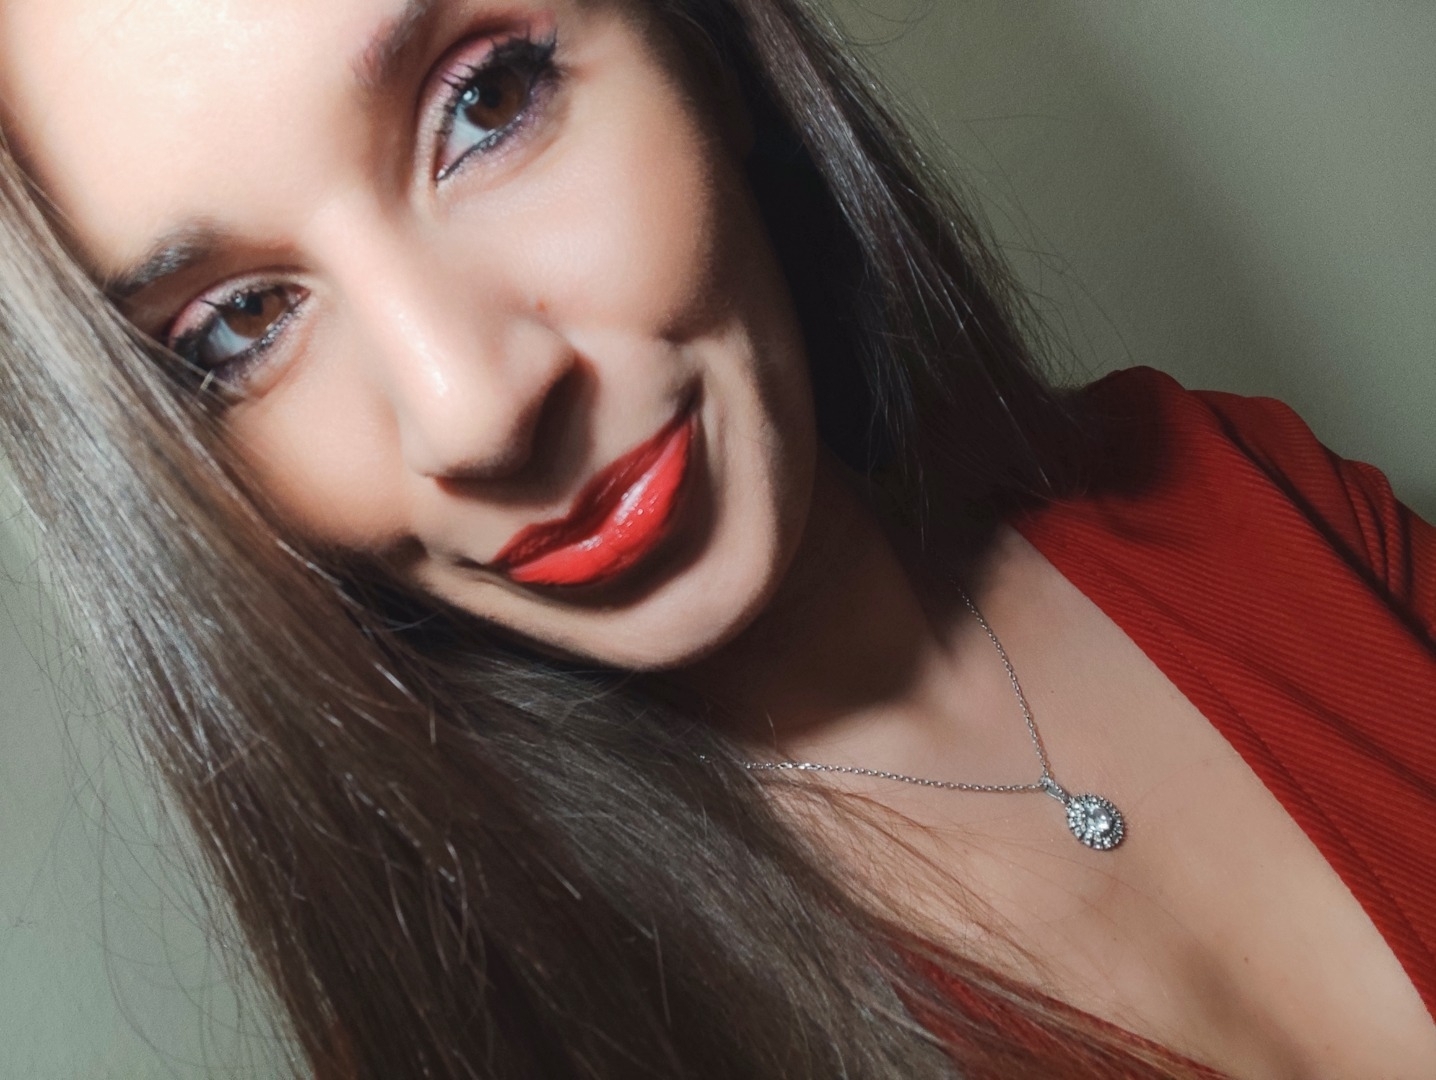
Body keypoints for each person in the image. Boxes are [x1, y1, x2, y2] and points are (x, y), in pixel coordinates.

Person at [0, 0, 1431, 1077]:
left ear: (706, 47)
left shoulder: (1228, 490)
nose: (473, 405)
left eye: (486, 101)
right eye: (240, 325)